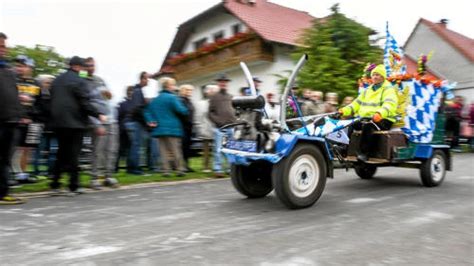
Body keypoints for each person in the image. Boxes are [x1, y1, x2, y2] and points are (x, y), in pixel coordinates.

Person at [50, 56, 106, 195]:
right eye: (83, 68)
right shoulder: (79, 80)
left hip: (58, 122)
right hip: (75, 122)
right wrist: (98, 114)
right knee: (74, 153)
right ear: (77, 67)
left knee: (61, 152)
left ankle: (55, 183)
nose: (85, 71)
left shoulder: (57, 79)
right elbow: (84, 102)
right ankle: (74, 185)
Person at [338, 64, 398, 162]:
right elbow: (355, 104)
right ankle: (343, 149)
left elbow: (390, 105)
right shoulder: (367, 90)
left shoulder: (388, 89)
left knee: (368, 126)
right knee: (349, 124)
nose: (375, 77)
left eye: (378, 75)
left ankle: (363, 154)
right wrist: (343, 111)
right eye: (373, 74)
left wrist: (380, 113)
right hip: (367, 118)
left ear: (383, 77)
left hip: (383, 119)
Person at [84, 57, 119, 189]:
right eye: (87, 66)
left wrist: (109, 94)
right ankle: (94, 178)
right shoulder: (82, 80)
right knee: (97, 150)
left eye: (92, 65)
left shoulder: (100, 80)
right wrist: (95, 123)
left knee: (111, 150)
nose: (91, 68)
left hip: (111, 119)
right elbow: (85, 104)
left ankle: (108, 176)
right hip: (97, 120)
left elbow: (108, 97)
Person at [11, 55, 45, 184]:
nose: (20, 68)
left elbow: (40, 103)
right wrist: (20, 116)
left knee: (28, 149)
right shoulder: (12, 80)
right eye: (18, 65)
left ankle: (23, 175)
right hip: (16, 120)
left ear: (30, 67)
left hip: (33, 122)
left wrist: (33, 117)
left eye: (23, 66)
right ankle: (12, 174)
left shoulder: (37, 84)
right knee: (15, 148)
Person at [145, 77, 188, 177]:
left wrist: (151, 121)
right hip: (172, 128)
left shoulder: (156, 99)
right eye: (173, 85)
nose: (174, 87)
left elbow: (147, 111)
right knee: (175, 149)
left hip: (159, 128)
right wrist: (184, 108)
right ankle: (179, 169)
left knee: (163, 151)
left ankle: (166, 171)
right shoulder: (172, 98)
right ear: (168, 86)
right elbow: (182, 110)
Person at [0, 32, 25, 204]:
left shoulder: (7, 70)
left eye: (4, 46)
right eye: (1, 46)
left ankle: (3, 192)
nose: (4, 49)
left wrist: (19, 114)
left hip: (10, 120)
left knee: (5, 159)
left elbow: (12, 94)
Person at [125, 72, 158, 174]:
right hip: (136, 122)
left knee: (135, 145)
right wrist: (147, 122)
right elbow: (138, 108)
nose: (148, 81)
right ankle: (134, 168)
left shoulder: (138, 90)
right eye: (147, 79)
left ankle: (131, 168)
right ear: (142, 79)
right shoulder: (138, 91)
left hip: (136, 121)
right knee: (136, 145)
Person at [208, 73, 236, 177]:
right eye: (221, 82)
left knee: (231, 149)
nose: (223, 83)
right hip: (219, 128)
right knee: (218, 149)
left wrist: (235, 120)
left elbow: (235, 110)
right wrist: (218, 121)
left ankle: (230, 169)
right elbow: (210, 113)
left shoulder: (231, 97)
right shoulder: (214, 97)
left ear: (227, 84)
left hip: (231, 127)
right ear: (218, 83)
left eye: (225, 82)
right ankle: (217, 169)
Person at [32, 74, 56, 179]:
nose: (49, 84)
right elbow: (34, 108)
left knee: (53, 150)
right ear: (42, 83)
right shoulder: (38, 94)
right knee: (38, 150)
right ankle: (36, 171)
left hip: (52, 127)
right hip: (40, 125)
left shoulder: (55, 95)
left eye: (51, 83)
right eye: (47, 82)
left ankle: (50, 171)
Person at [195, 84, 218, 172]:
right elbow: (198, 117)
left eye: (214, 91)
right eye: (210, 91)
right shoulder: (201, 104)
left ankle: (217, 166)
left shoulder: (217, 102)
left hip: (216, 127)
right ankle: (206, 166)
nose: (212, 93)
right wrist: (199, 128)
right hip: (206, 128)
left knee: (217, 148)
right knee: (206, 150)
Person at [116, 86, 134, 172]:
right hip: (123, 129)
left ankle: (129, 168)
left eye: (132, 91)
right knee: (120, 149)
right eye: (130, 91)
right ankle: (115, 168)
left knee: (130, 149)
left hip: (132, 129)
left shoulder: (135, 103)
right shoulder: (122, 104)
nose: (131, 93)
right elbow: (119, 117)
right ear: (127, 92)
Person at [179, 84, 195, 172]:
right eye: (188, 90)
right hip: (183, 126)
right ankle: (183, 166)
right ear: (183, 91)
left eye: (191, 90)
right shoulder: (181, 100)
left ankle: (187, 165)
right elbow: (183, 114)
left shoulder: (189, 101)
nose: (190, 92)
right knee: (183, 147)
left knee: (188, 147)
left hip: (189, 126)